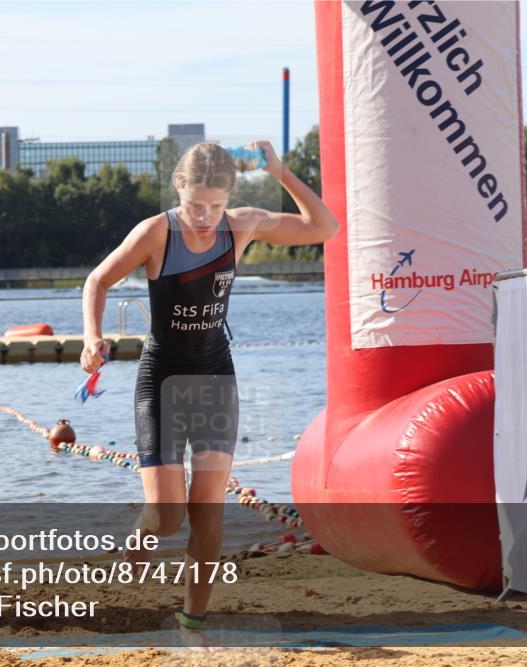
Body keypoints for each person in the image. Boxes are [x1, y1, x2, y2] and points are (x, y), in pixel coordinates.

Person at [80, 141, 338, 636]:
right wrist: (93, 338)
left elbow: (324, 227)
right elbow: (97, 281)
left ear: (228, 198)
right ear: (178, 190)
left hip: (216, 377)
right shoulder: (157, 232)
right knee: (170, 514)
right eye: (194, 204)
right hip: (163, 380)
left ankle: (193, 619)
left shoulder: (240, 224)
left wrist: (281, 171)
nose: (203, 216)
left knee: (208, 514)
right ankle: (141, 537)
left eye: (214, 205)